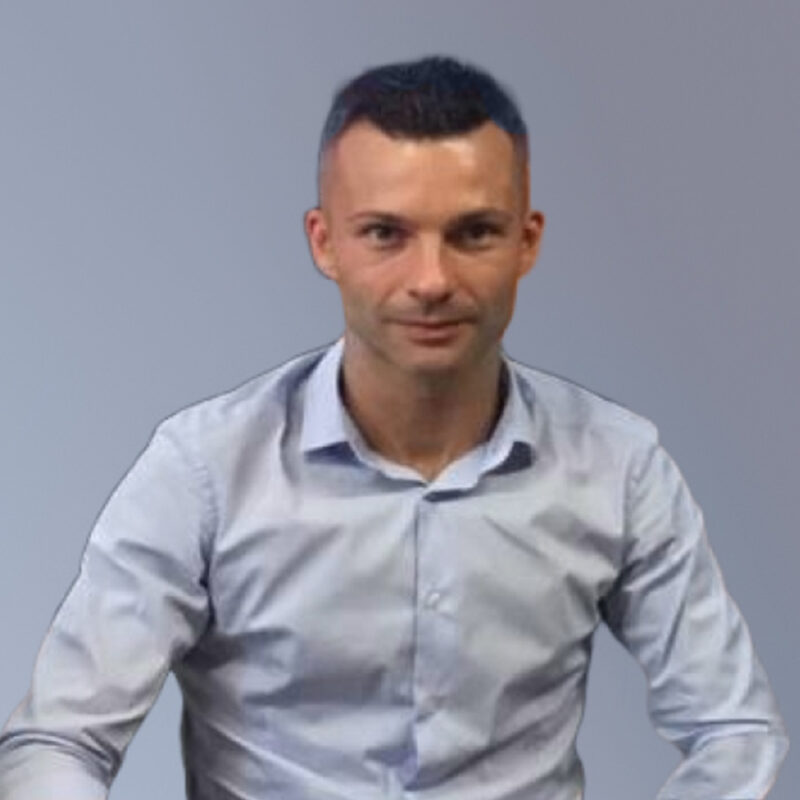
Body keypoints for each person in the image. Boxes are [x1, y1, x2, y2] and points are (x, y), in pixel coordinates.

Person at [0, 54, 789, 800]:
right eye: (385, 233)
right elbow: (59, 740)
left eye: (473, 232)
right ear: (325, 243)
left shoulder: (619, 466)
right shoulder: (204, 469)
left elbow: (733, 730)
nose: (431, 280)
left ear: (527, 242)